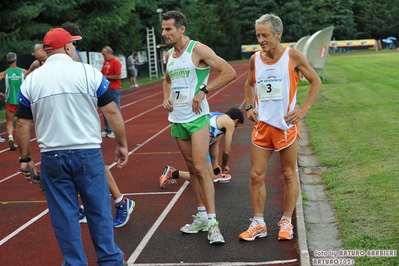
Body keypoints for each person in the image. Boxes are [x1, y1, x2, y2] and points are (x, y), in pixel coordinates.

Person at [15, 28, 128, 265]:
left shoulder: (32, 80)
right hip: (88, 153)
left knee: (64, 215)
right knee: (98, 210)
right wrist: (121, 144)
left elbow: (23, 125)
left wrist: (25, 158)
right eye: (73, 45)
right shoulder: (88, 72)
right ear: (67, 47)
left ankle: (75, 262)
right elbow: (111, 111)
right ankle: (110, 260)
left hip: (52, 156)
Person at [238, 14, 321, 242]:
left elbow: (316, 81)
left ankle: (286, 221)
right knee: (256, 176)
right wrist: (249, 106)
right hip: (263, 126)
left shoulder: (292, 56)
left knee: (288, 174)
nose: (261, 39)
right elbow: (249, 83)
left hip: (286, 127)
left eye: (265, 35)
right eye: (258, 35)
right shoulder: (255, 59)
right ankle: (258, 223)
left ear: (278, 34)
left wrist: (303, 109)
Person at [161, 10, 237, 244]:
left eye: (168, 29)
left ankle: (214, 224)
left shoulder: (198, 49)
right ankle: (202, 217)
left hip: (197, 118)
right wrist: (166, 97)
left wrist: (204, 91)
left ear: (181, 28)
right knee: (192, 169)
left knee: (202, 168)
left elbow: (229, 72)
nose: (164, 33)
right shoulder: (169, 56)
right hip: (177, 119)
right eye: (163, 29)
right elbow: (167, 80)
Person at [60, 21, 135, 228]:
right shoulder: (58, 62)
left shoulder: (76, 61)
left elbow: (110, 109)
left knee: (93, 167)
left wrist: (122, 143)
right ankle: (110, 204)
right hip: (66, 126)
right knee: (78, 169)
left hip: (79, 125)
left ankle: (120, 202)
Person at [160, 107, 244, 187]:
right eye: (237, 125)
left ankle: (214, 170)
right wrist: (224, 165)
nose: (235, 127)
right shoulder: (230, 123)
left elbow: (215, 141)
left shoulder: (219, 116)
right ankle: (173, 173)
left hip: (194, 137)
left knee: (216, 138)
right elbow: (227, 151)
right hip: (199, 143)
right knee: (207, 178)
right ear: (236, 120)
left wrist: (215, 166)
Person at [0, 52, 27, 150]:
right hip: (22, 101)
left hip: (10, 101)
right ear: (16, 60)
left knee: (10, 122)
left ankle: (10, 138)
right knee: (22, 123)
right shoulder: (23, 72)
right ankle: (22, 140)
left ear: (7, 61)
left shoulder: (5, 73)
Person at [101, 46, 122, 139]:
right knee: (106, 110)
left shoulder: (116, 62)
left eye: (104, 54)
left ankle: (116, 131)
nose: (103, 56)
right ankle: (107, 129)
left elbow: (118, 76)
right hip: (106, 88)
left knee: (115, 110)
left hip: (115, 88)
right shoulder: (105, 62)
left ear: (110, 53)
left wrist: (107, 77)